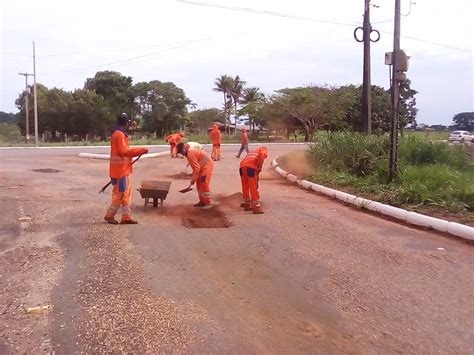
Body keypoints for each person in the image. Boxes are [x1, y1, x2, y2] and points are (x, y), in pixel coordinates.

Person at [104, 113, 148, 225]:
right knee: (120, 194)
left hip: (123, 170)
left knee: (126, 194)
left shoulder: (119, 134)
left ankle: (126, 217)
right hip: (120, 172)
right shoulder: (119, 135)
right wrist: (140, 150)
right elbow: (124, 151)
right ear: (126, 122)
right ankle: (109, 215)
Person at [177, 142, 214, 209]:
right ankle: (202, 201)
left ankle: (209, 202)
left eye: (182, 151)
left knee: (204, 182)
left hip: (207, 165)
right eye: (181, 152)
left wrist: (193, 179)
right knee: (199, 183)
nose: (182, 153)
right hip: (201, 167)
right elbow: (195, 168)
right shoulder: (188, 154)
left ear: (184, 148)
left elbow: (196, 168)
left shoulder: (190, 154)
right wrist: (195, 178)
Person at [239, 147, 268, 214]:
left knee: (245, 186)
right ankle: (256, 207)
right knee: (253, 186)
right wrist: (259, 167)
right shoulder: (263, 149)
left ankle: (246, 204)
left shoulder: (252, 151)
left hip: (242, 167)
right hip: (251, 168)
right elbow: (261, 157)